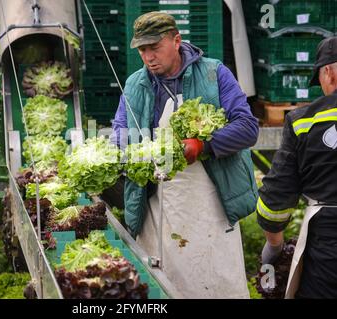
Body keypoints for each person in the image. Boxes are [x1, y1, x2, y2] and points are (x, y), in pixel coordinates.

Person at [111, 12, 259, 298]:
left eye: (155, 47)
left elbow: (247, 127)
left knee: (216, 281)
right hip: (158, 205)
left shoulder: (213, 74)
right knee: (164, 284)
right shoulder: (135, 85)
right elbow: (119, 132)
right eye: (142, 50)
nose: (148, 56)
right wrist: (132, 151)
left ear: (176, 41)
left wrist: (205, 145)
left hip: (211, 205)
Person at [257, 35, 337, 299]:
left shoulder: (303, 121)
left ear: (327, 73)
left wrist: (274, 248)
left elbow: (275, 202)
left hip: (330, 250)